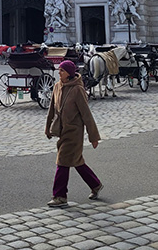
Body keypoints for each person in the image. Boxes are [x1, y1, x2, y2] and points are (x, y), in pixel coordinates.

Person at [44, 60, 102, 207]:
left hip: (74, 133)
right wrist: (48, 128)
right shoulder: (57, 86)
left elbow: (86, 115)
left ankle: (60, 196)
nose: (59, 73)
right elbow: (51, 109)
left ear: (69, 73)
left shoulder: (77, 90)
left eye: (62, 71)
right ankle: (95, 185)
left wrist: (93, 137)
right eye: (59, 71)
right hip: (61, 131)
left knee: (62, 161)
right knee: (77, 162)